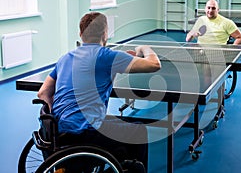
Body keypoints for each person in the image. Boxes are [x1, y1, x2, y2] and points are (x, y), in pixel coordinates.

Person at [37, 11, 161, 172]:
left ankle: (121, 163)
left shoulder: (65, 58)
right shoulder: (106, 56)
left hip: (59, 133)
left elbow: (43, 93)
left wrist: (64, 115)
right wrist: (144, 48)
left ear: (80, 34)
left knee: (122, 125)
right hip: (85, 134)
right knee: (139, 131)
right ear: (105, 34)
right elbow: (154, 64)